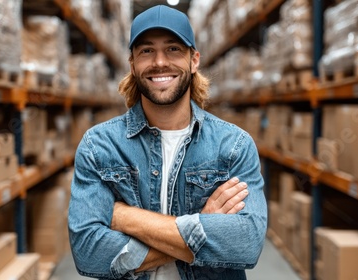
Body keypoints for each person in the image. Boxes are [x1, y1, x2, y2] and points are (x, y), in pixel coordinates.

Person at [68, 5, 267, 280]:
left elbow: (246, 244)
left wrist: (125, 217)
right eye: (147, 50)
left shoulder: (234, 146)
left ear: (194, 60)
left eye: (173, 49)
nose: (160, 62)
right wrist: (203, 223)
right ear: (133, 64)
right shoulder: (98, 147)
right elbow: (89, 252)